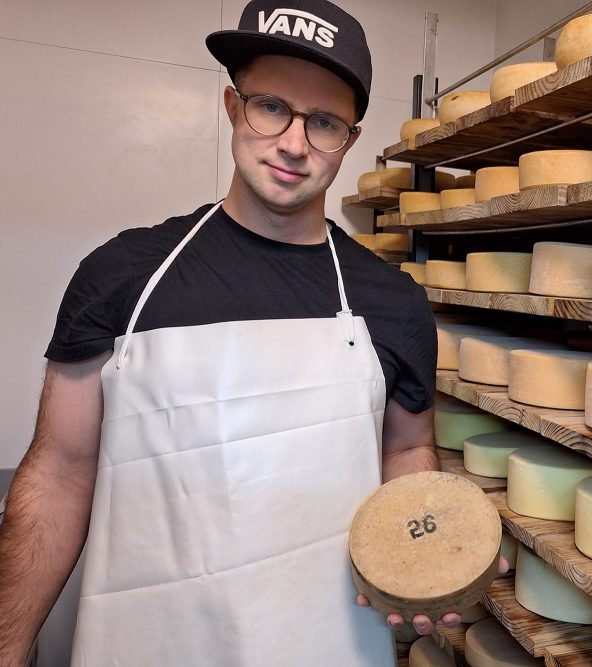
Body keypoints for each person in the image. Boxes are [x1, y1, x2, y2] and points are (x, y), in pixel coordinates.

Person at [0, 0, 462, 664]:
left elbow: (408, 450)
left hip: (329, 641)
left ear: (350, 140)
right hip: (149, 641)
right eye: (271, 106)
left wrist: (427, 556)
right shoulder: (123, 277)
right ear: (231, 105)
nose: (294, 143)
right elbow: (58, 473)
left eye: (325, 121)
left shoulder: (393, 304)